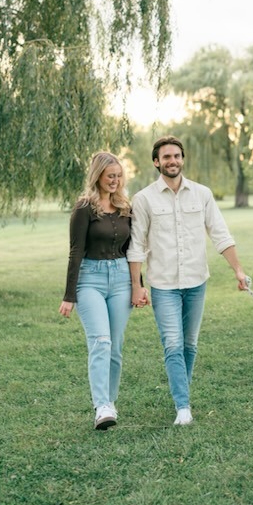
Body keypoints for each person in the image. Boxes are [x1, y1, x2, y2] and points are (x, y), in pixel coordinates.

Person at [127, 135, 247, 426]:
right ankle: (183, 406)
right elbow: (136, 246)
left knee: (190, 344)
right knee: (172, 344)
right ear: (156, 162)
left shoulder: (202, 194)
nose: (172, 161)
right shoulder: (144, 199)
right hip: (163, 284)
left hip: (196, 281)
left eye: (177, 156)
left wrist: (238, 271)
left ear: (183, 159)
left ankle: (183, 393)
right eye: (166, 157)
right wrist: (137, 285)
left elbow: (220, 233)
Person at [59, 151, 148, 430]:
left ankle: (110, 402)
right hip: (90, 280)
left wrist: (139, 286)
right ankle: (102, 407)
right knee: (101, 341)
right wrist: (69, 295)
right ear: (98, 175)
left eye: (119, 176)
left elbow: (133, 250)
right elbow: (75, 252)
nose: (115, 180)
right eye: (111, 176)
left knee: (116, 346)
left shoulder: (125, 207)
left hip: (121, 278)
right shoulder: (84, 207)